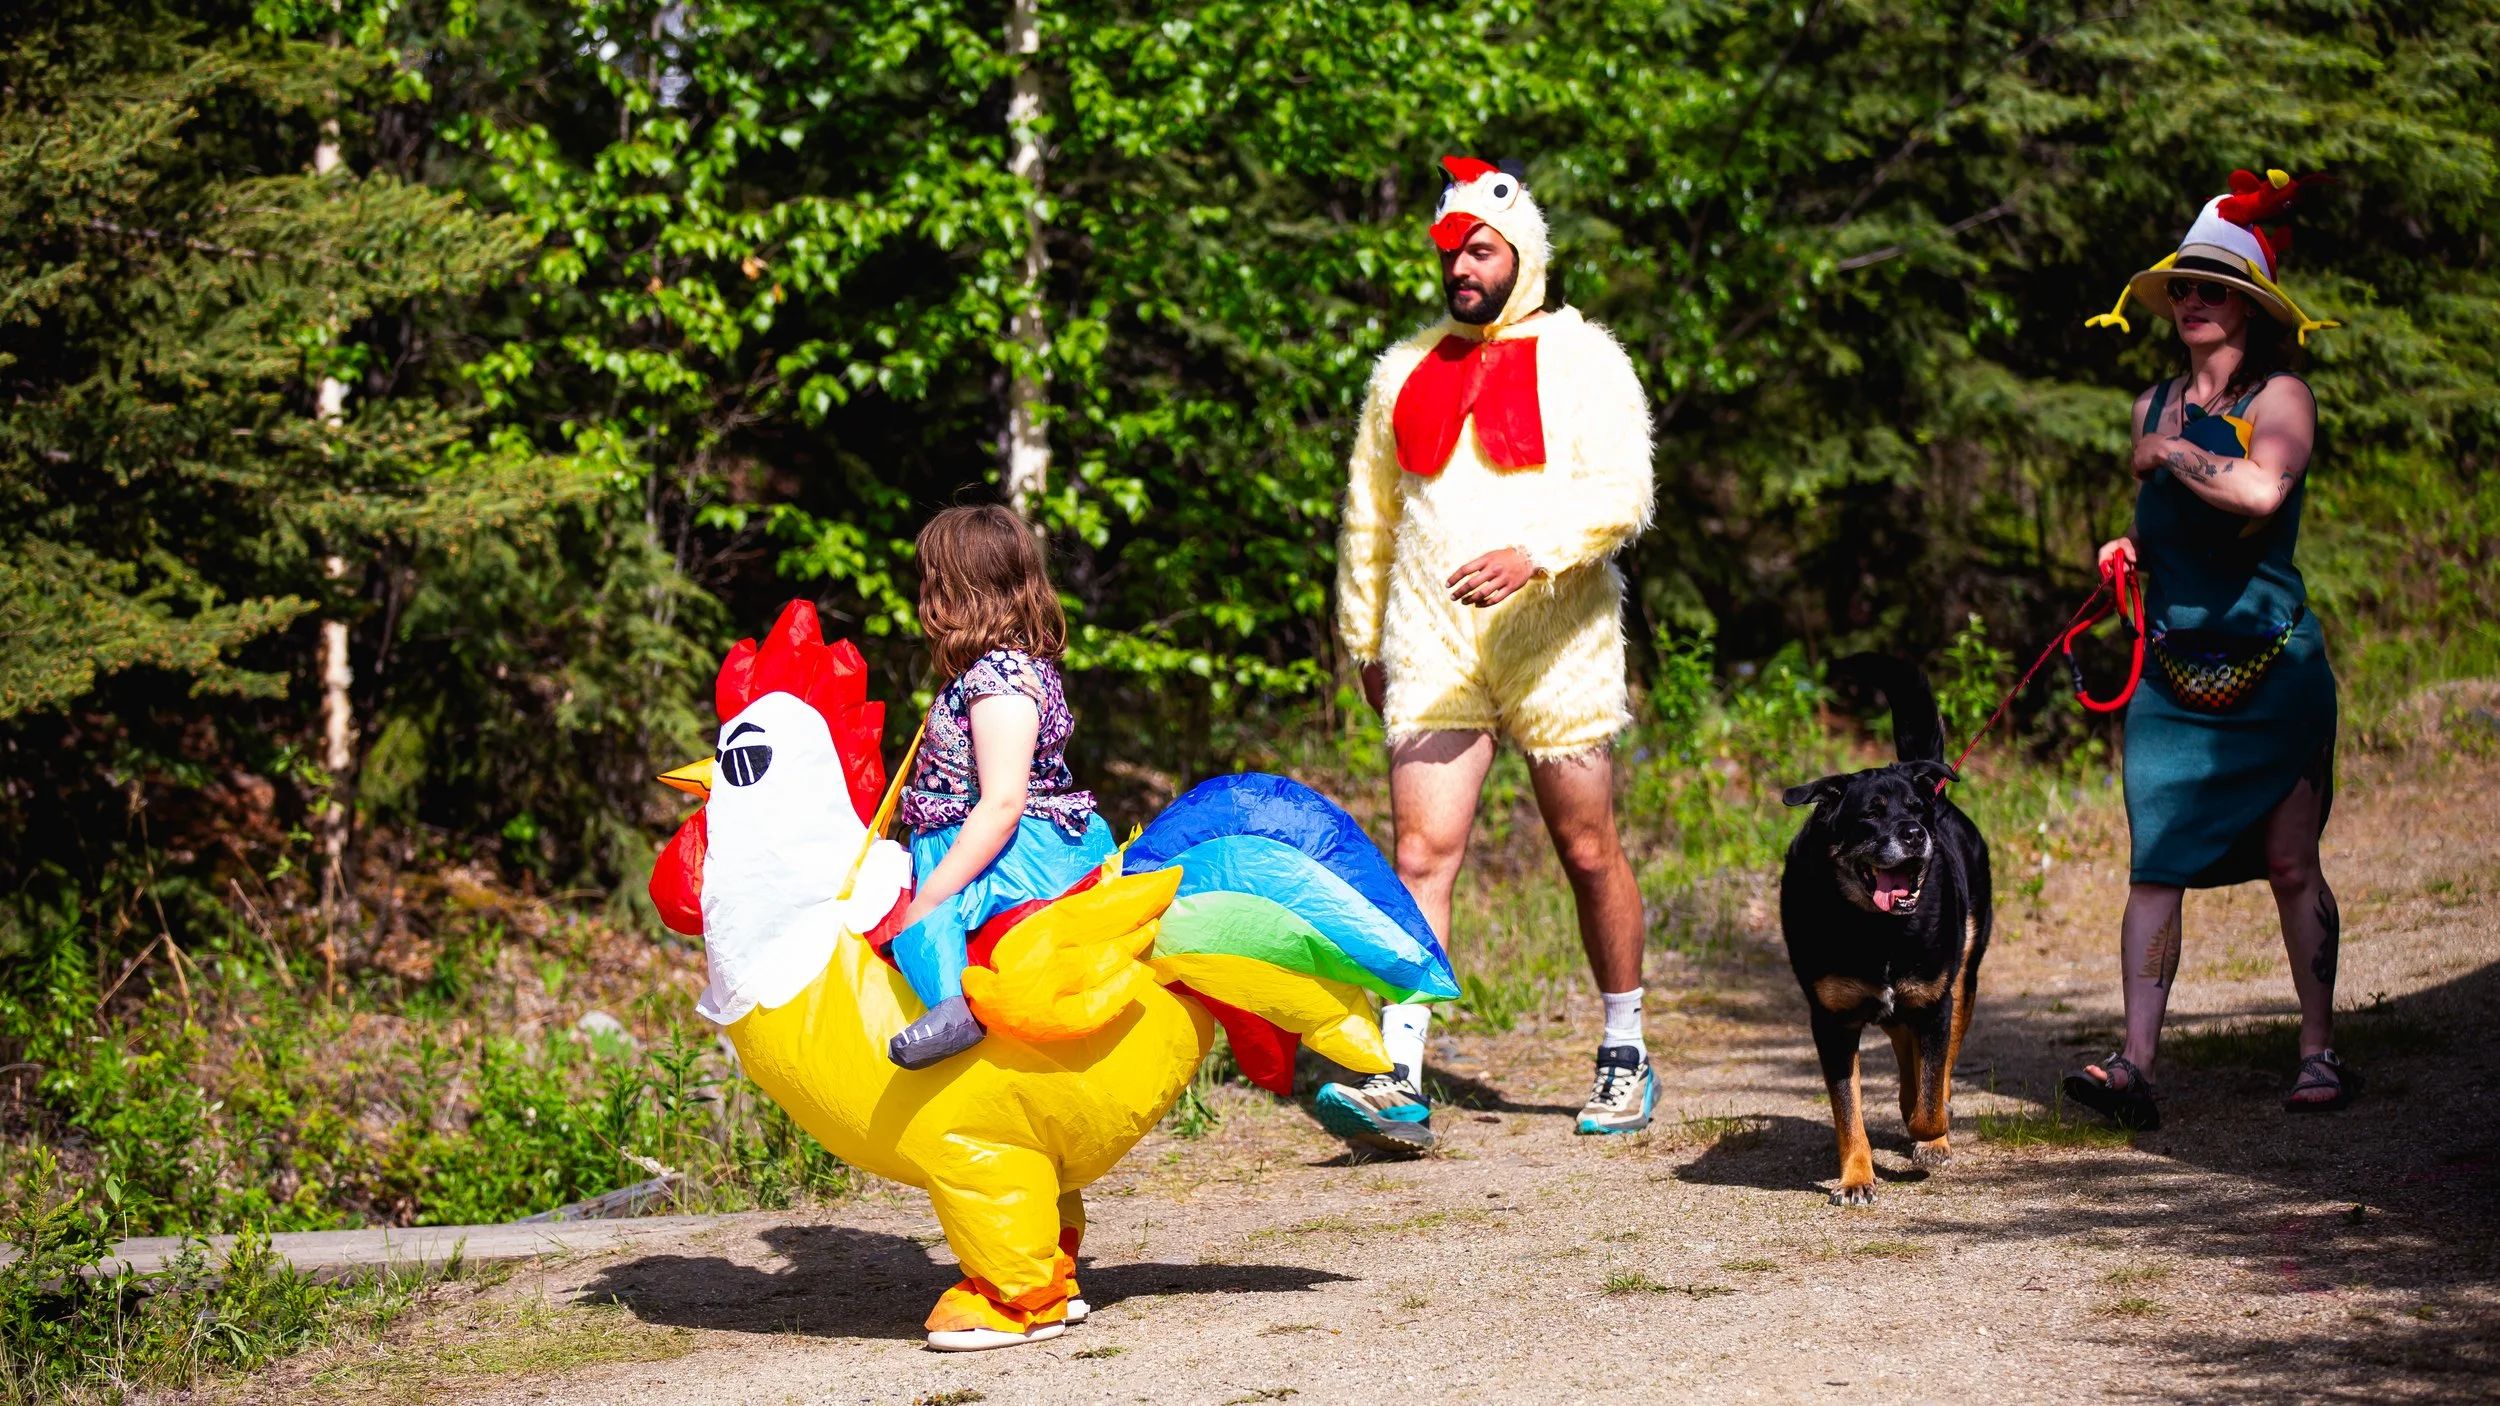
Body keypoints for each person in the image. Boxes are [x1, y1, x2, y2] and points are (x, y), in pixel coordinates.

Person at [1319, 155, 1657, 1154]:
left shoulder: (1586, 358)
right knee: (1419, 854)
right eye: (1450, 251)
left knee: (1586, 849)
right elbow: (1366, 523)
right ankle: (1401, 1075)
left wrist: (1534, 555)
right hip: (1430, 641)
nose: (1461, 266)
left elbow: (1625, 495)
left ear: (1523, 255)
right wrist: (1360, 638)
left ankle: (1625, 1047)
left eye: (1480, 249)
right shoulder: (1400, 371)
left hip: (1558, 636)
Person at [2065, 169, 2353, 1128]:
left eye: (2212, 287)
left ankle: (2317, 1051)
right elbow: (2186, 517)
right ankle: (2134, 1065)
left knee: (2289, 862)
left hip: (2276, 669)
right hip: (2172, 675)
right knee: (2156, 862)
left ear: (2249, 305)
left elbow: (2261, 494)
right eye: (2183, 286)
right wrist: (2134, 545)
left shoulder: (2284, 396)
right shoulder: (2148, 402)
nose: (2192, 300)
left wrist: (2169, 457)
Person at [885, 504, 1116, 1069]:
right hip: (973, 840)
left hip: (1003, 853)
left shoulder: (1001, 679)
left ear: (962, 591)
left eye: (933, 581)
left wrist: (934, 893)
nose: (925, 596)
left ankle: (950, 1014)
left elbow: (1004, 801)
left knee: (924, 922)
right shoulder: (986, 673)